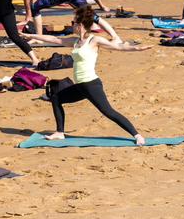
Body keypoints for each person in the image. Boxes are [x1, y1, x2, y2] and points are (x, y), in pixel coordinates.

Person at [24, 8, 149, 144]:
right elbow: (54, 39)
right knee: (56, 98)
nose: (72, 25)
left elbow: (118, 47)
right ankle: (60, 133)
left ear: (80, 25)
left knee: (108, 112)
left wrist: (136, 48)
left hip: (91, 84)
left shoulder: (94, 40)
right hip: (79, 86)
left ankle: (137, 135)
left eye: (73, 22)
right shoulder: (75, 41)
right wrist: (32, 36)